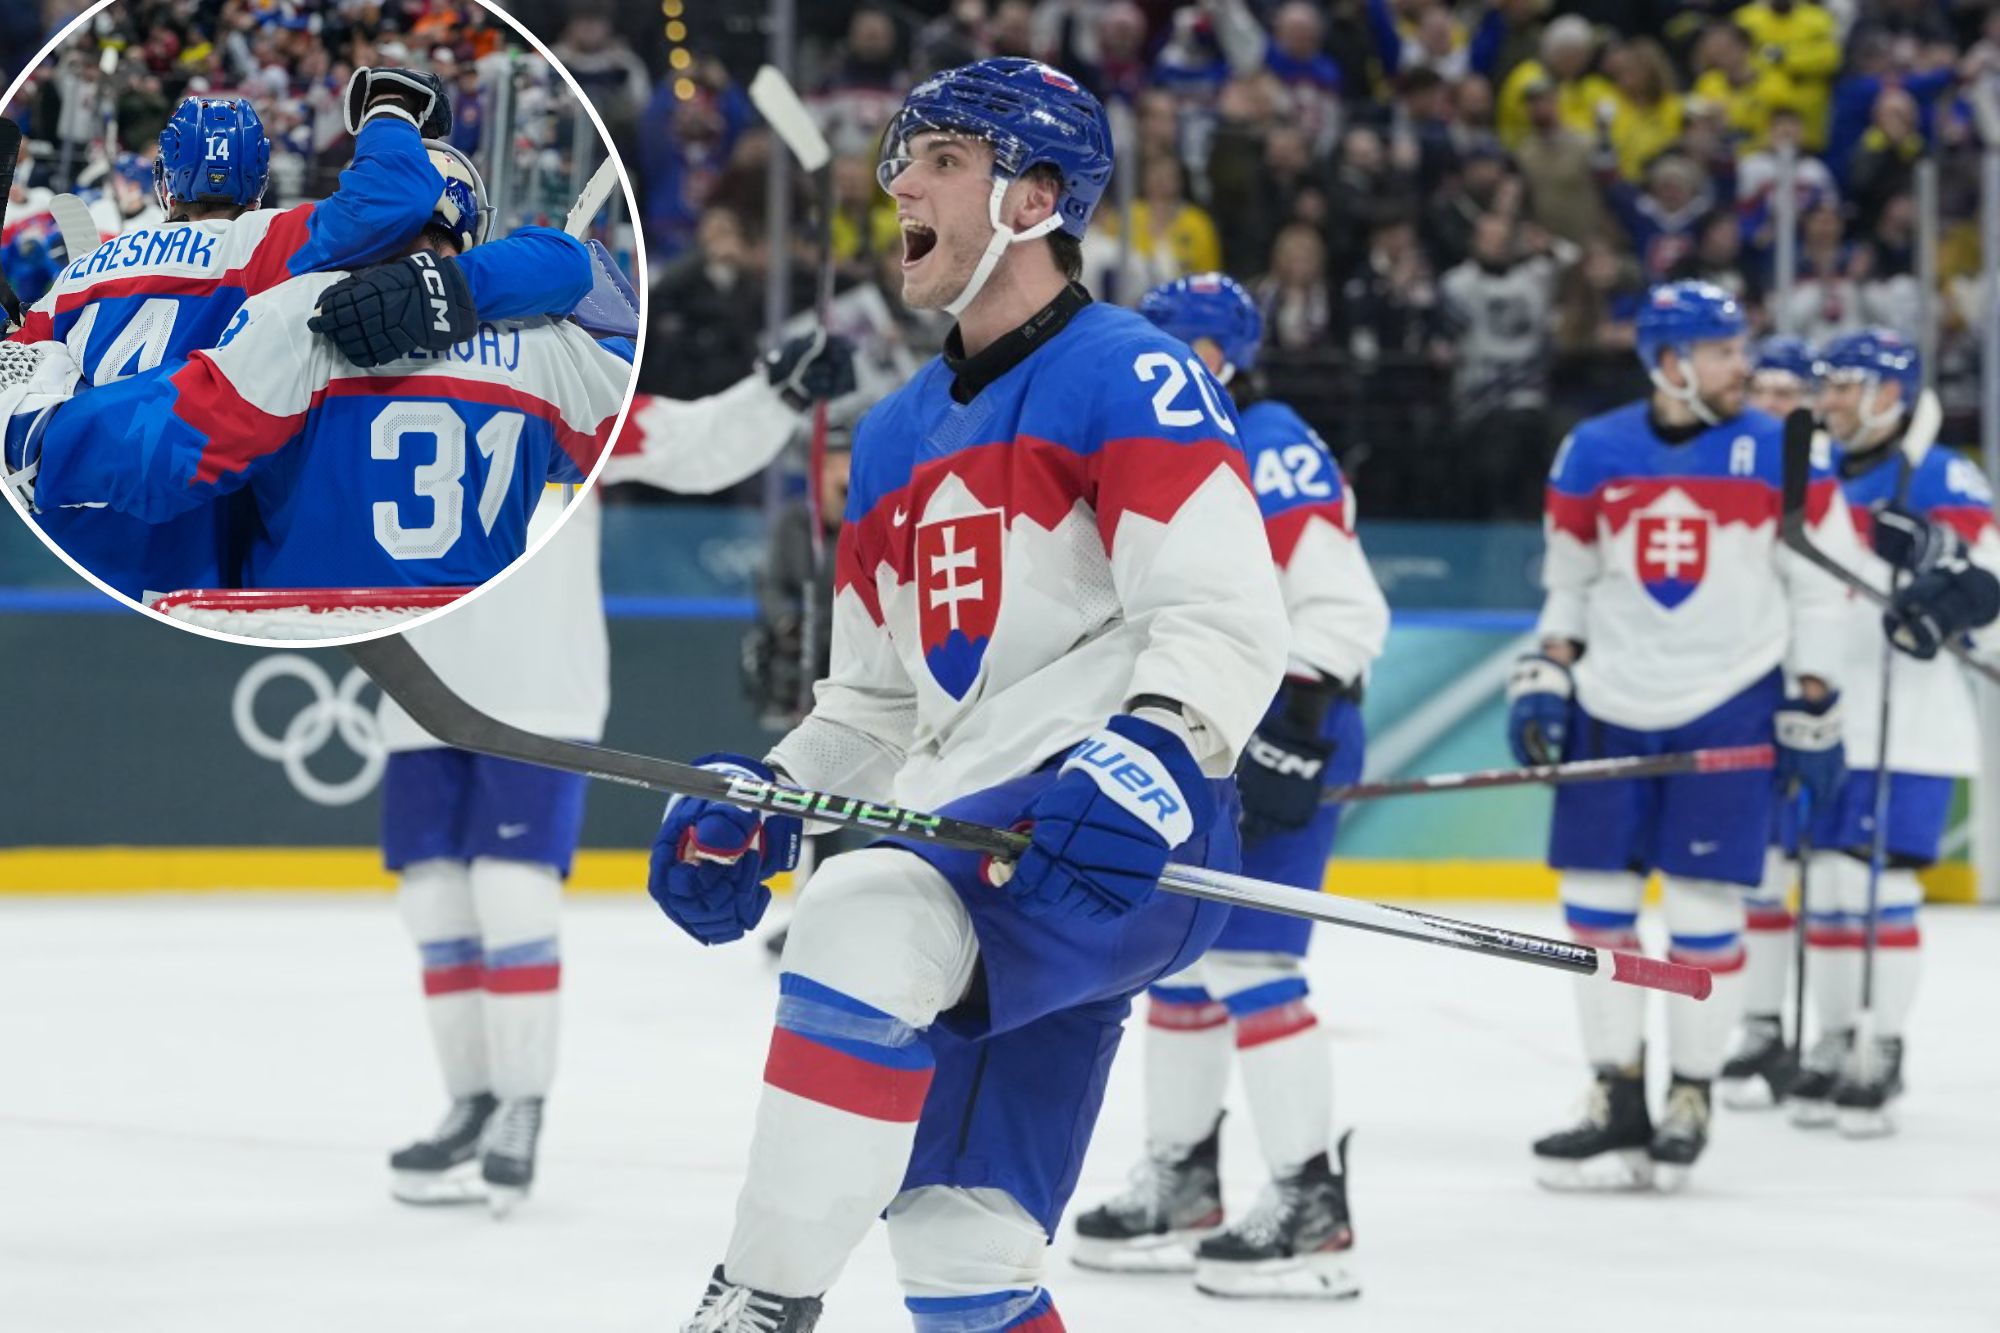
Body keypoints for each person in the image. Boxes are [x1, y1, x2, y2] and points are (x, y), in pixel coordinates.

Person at [646, 58, 1289, 1331]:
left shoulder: (1130, 370)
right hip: (969, 834)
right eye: (902, 161)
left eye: (942, 160)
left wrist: (1155, 748)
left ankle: (758, 1304)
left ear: (1034, 198)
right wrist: (773, 793)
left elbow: (1218, 610)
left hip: (1112, 831)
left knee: (855, 917)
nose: (901, 185)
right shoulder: (891, 434)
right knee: (961, 1249)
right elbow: (875, 709)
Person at [369, 330, 855, 1216]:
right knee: (434, 903)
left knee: (512, 895)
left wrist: (774, 393)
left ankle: (520, 1104)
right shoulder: (367, 380)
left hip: (536, 692)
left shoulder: (562, 389)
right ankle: (471, 1101)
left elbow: (691, 443)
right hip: (413, 688)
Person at [1072, 272, 1386, 1299]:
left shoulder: (1270, 439)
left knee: (1254, 961)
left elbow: (1342, 608)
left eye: (1188, 342)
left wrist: (1295, 724)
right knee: (1178, 961)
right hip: (1192, 728)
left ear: (1228, 357)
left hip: (1287, 722)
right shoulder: (1146, 442)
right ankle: (1182, 1180)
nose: (1164, 358)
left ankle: (1310, 1203)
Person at [1509, 280, 1857, 1192]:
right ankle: (1616, 1090)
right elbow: (1570, 581)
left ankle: (1692, 1092)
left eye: (1741, 348)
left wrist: (1815, 698)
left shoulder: (1786, 448)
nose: (1745, 365)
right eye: (1724, 351)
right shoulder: (1593, 449)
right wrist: (1548, 670)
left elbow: (1823, 588)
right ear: (1671, 362)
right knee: (1595, 901)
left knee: (1703, 907)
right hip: (1610, 699)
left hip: (1731, 701)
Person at [7, 77, 595, 601]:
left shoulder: (298, 309)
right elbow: (580, 287)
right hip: (205, 566)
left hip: (79, 543)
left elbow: (40, 381)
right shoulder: (269, 248)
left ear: (166, 179)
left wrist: (48, 439)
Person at [1773, 330, 1999, 1135]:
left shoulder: (1941, 473)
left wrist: (1938, 564)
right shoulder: (1817, 470)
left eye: (1845, 386)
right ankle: (1835, 1038)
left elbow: (1990, 592)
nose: (1828, 400)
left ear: (1890, 394)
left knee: (1883, 888)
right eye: (1827, 386)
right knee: (1828, 886)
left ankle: (1883, 1046)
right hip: (1831, 710)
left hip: (1910, 721)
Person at [1719, 332, 1825, 1110]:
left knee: (1832, 879)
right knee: (1761, 875)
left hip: (1818, 702)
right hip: (1753, 698)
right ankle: (1762, 1024)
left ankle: (1838, 1033)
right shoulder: (1738, 466)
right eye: (1765, 390)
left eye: (1789, 394)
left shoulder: (1822, 476)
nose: (1772, 404)